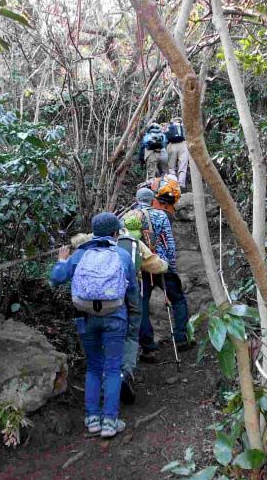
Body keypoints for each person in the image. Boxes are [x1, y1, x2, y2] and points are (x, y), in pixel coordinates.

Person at [50, 212, 138, 438]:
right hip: (115, 317)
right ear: (115, 233)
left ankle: (92, 420)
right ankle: (110, 422)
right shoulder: (121, 254)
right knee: (113, 368)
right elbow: (131, 289)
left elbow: (57, 278)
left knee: (94, 367)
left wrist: (62, 260)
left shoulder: (80, 254)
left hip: (86, 317)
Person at [70, 221, 168, 404]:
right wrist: (165, 263)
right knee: (130, 335)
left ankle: (104, 381)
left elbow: (71, 258)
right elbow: (155, 265)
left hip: (95, 302)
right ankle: (124, 373)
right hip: (126, 297)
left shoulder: (90, 244)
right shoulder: (133, 243)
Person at [127, 187, 191, 362]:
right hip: (161, 265)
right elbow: (169, 242)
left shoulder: (129, 217)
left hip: (141, 268)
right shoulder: (161, 215)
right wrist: (172, 266)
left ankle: (149, 349)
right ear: (152, 200)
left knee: (142, 307)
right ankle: (181, 338)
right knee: (177, 299)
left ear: (137, 199)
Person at [164, 116, 189, 189]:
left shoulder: (169, 126)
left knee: (171, 167)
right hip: (183, 145)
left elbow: (165, 138)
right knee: (182, 166)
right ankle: (181, 184)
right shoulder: (184, 125)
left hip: (171, 146)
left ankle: (172, 183)